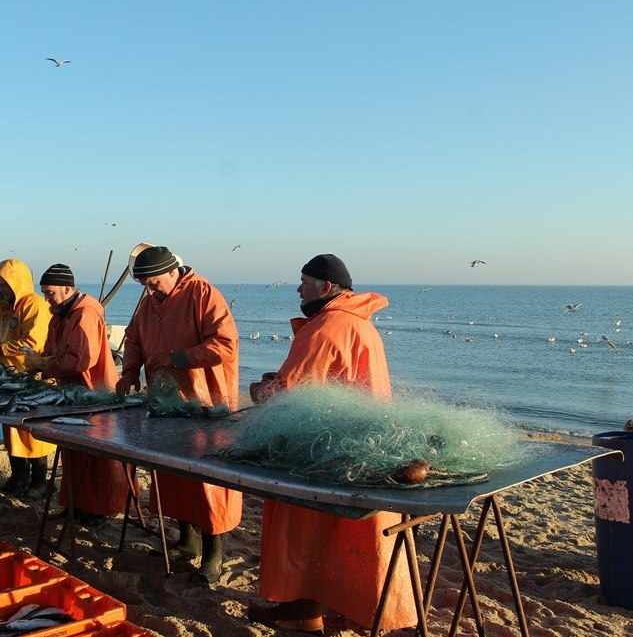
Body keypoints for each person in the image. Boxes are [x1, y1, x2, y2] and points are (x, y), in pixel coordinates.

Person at [247, 254, 417, 634]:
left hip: (323, 448)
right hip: (361, 444)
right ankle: (316, 608)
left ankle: (301, 609)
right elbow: (329, 379)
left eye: (304, 281)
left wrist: (259, 390)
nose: (298, 288)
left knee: (299, 527)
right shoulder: (359, 323)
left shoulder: (326, 326)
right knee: (337, 533)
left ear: (325, 287)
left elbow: (291, 392)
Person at [114, 246, 241, 584]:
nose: (150, 291)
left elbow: (225, 345)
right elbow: (134, 340)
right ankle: (187, 542)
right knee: (172, 475)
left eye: (154, 284)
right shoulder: (147, 301)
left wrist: (177, 358)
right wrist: (129, 373)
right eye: (145, 285)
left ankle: (214, 555)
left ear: (173, 272)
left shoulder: (204, 294)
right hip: (165, 403)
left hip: (205, 405)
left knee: (207, 481)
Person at [28, 263, 136, 527]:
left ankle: (98, 510)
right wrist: (39, 359)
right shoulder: (59, 314)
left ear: (67, 289)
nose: (46, 298)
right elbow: (54, 351)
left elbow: (81, 359)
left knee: (96, 457)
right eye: (43, 292)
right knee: (73, 454)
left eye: (50, 293)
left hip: (93, 392)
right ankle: (75, 505)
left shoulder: (85, 314)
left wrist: (44, 365)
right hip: (71, 393)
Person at [0, 259, 55, 500]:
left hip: (31, 378)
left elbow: (34, 342)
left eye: (5, 284)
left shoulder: (34, 305)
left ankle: (39, 482)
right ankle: (18, 477)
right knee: (11, 430)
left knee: (33, 431)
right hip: (8, 378)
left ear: (18, 282)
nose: (2, 288)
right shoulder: (3, 308)